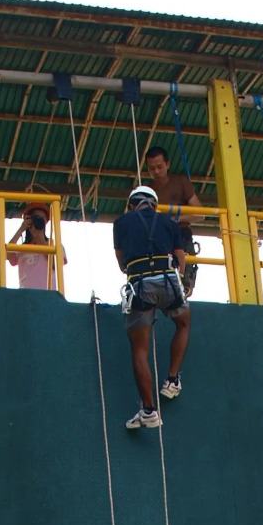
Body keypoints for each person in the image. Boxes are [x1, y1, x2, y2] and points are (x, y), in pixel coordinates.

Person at [112, 184, 190, 429]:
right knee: (183, 323)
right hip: (168, 279)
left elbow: (122, 263)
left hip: (139, 284)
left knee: (139, 349)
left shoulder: (121, 222)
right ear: (154, 204)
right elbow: (180, 259)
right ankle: (172, 379)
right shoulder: (169, 223)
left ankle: (148, 411)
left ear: (133, 204)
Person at [144, 145, 201, 296]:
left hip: (181, 234)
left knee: (184, 282)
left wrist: (177, 219)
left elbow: (200, 213)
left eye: (160, 167)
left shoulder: (181, 182)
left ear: (168, 164)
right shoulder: (146, 191)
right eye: (152, 168)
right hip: (158, 239)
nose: (156, 171)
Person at [6, 203, 67, 291]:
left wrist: (40, 239)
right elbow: (6, 255)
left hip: (48, 295)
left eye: (42, 219)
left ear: (46, 222)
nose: (39, 220)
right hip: (26, 295)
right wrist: (21, 229)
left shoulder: (54, 245)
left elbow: (57, 265)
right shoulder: (21, 248)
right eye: (35, 218)